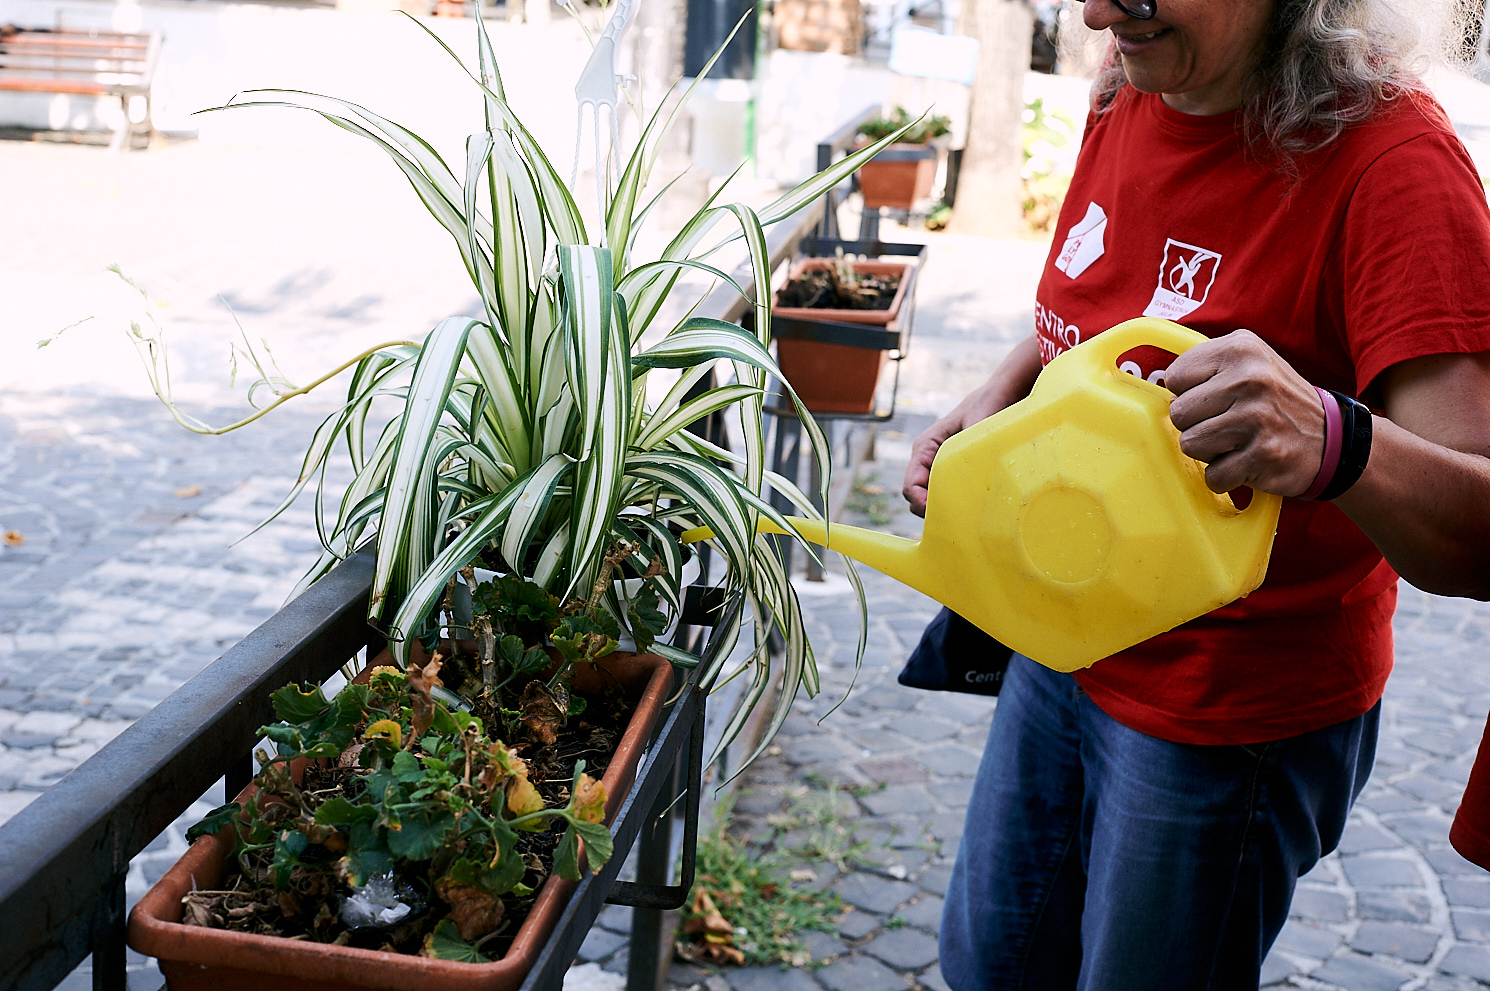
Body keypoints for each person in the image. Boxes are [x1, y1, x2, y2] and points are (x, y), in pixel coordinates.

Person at [901, 0, 1490, 987]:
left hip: (1222, 709)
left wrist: (1331, 439)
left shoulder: (1391, 163)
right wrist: (1011, 385)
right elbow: (1123, 313)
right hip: (1062, 640)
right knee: (987, 967)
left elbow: (1473, 537)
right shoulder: (1130, 79)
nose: (1095, 14)